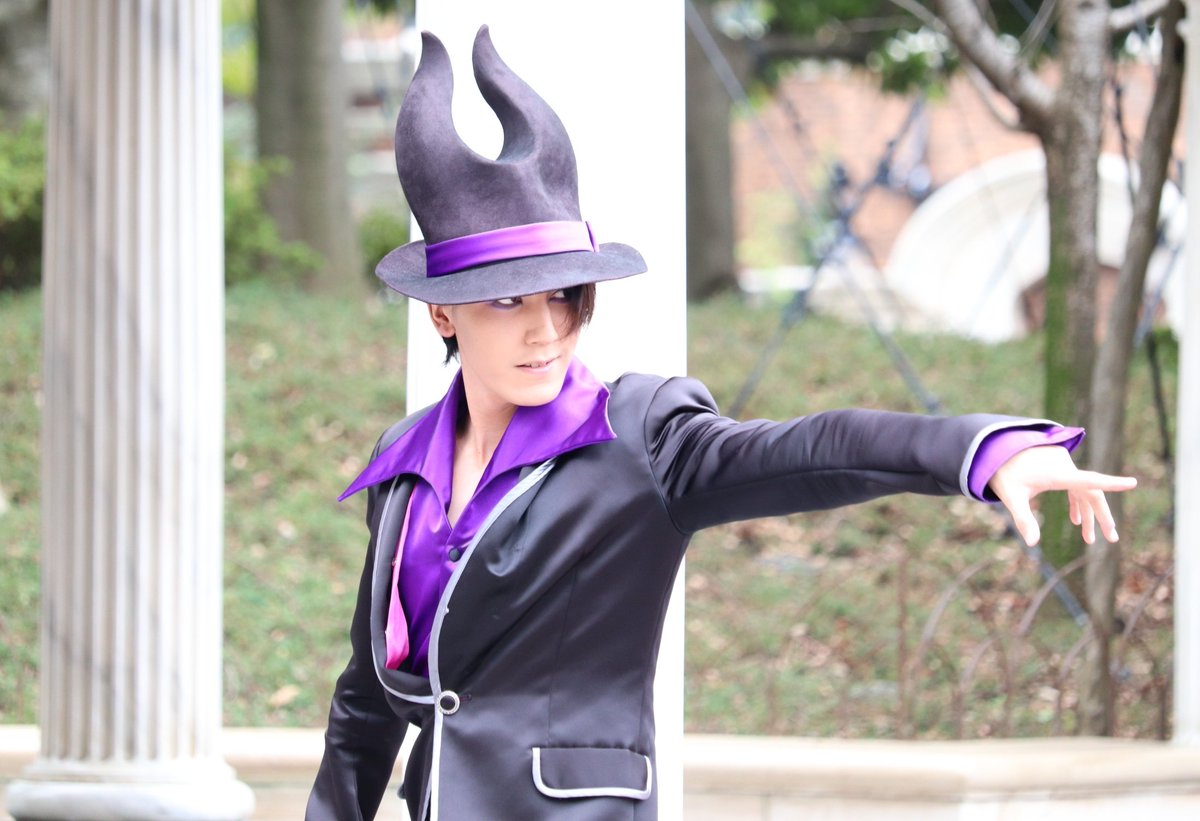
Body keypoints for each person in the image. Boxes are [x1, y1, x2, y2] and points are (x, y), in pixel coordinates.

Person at [306, 26, 1137, 821]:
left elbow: (812, 450)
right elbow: (367, 700)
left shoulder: (639, 435)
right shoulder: (403, 462)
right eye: (507, 301)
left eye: (563, 294)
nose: (547, 329)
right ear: (443, 314)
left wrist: (983, 452)